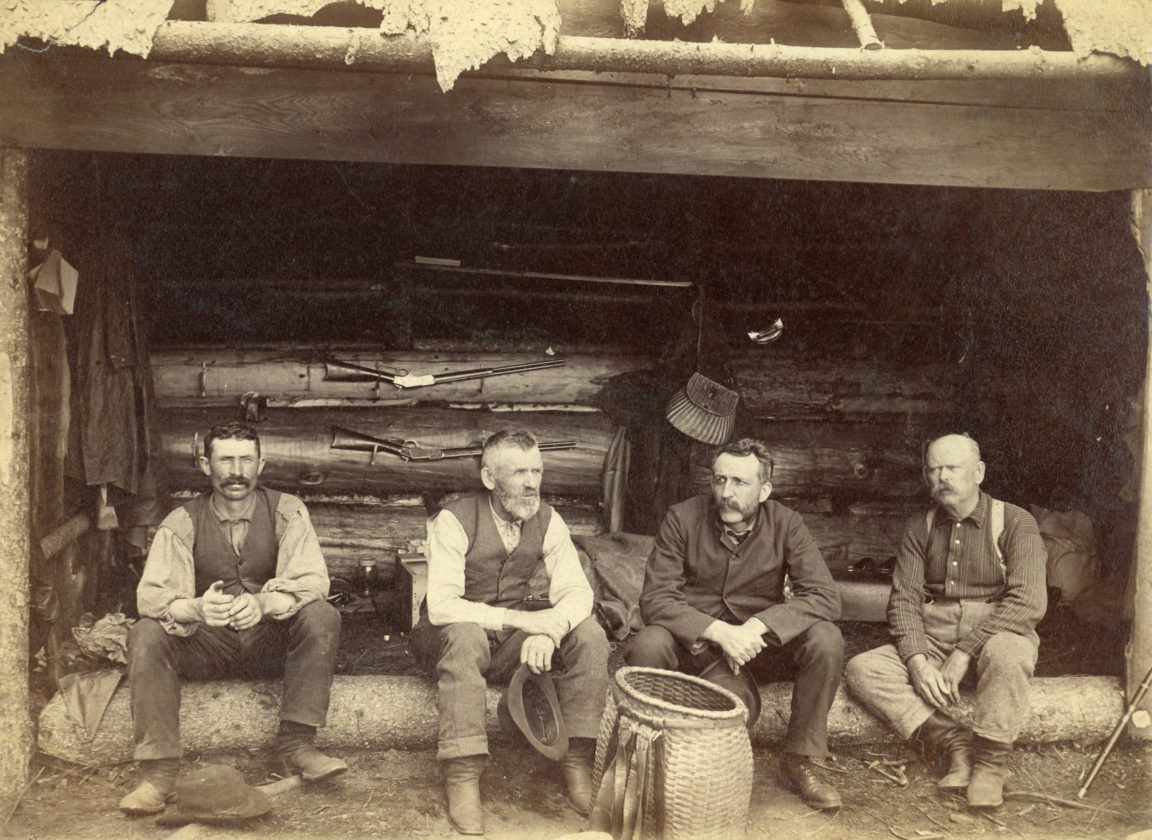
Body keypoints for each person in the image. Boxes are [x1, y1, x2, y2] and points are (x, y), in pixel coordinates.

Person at [119, 422, 346, 815]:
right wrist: (195, 608)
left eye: (246, 459)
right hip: (207, 648)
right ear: (206, 465)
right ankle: (160, 773)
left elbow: (313, 582)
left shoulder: (287, 511)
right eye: (225, 460)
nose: (236, 470)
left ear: (262, 464)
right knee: (145, 634)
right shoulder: (181, 521)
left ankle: (297, 748)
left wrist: (263, 603)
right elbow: (151, 598)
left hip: (269, 644)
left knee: (321, 616)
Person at [624, 437, 845, 811]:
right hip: (697, 647)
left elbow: (824, 596)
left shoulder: (787, 523)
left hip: (759, 649)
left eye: (739, 483)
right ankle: (653, 756)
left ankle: (799, 761)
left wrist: (758, 627)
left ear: (764, 490)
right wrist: (719, 631)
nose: (726, 492)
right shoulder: (682, 518)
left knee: (826, 638)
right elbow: (656, 598)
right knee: (649, 642)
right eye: (719, 480)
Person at [411, 429, 609, 836]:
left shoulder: (549, 520)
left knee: (588, 634)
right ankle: (463, 775)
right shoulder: (453, 519)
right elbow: (444, 606)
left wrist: (550, 631)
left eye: (536, 470)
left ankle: (575, 759)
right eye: (519, 472)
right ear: (489, 478)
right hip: (446, 639)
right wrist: (525, 622)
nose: (531, 482)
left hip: (505, 642)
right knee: (465, 633)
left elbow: (578, 593)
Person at [845, 434, 1047, 808]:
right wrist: (918, 662)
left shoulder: (1016, 522)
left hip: (997, 631)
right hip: (935, 635)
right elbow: (904, 601)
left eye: (952, 468)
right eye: (933, 469)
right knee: (863, 669)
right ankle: (951, 743)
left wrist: (966, 651)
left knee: (1011, 654)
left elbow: (1028, 602)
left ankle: (990, 764)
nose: (942, 478)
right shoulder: (919, 527)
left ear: (979, 472)